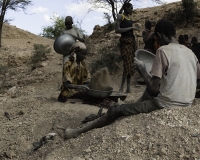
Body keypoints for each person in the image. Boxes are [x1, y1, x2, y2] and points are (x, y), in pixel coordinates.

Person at [59, 19, 200, 140]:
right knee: (147, 94)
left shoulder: (163, 51)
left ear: (159, 35)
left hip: (167, 104)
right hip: (187, 103)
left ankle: (77, 132)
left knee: (115, 110)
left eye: (157, 39)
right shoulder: (191, 53)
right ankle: (135, 105)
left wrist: (142, 68)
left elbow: (153, 88)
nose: (158, 42)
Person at [115, 2, 140, 93]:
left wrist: (135, 44)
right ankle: (121, 87)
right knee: (126, 64)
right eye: (130, 8)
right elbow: (117, 30)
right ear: (125, 8)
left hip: (131, 42)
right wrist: (131, 28)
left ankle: (128, 88)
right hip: (125, 43)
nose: (131, 10)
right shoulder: (120, 16)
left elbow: (132, 33)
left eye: (132, 8)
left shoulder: (129, 18)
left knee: (130, 65)